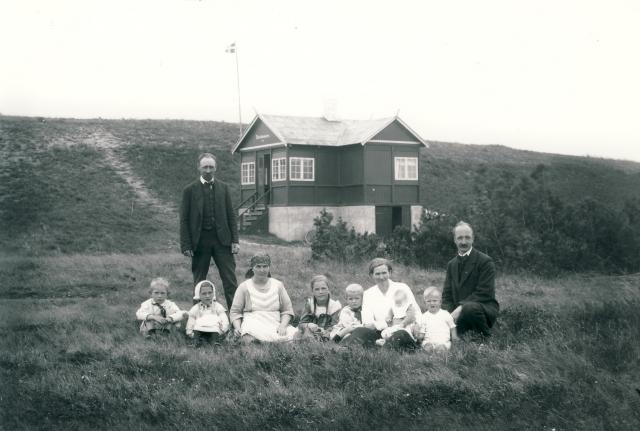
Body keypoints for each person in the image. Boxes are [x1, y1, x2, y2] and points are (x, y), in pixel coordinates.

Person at [180, 153, 239, 308]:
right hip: (200, 242)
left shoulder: (224, 188)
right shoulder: (189, 190)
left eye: (211, 167)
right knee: (199, 282)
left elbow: (231, 216)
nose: (208, 170)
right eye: (205, 167)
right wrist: (186, 245)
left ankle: (235, 318)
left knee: (230, 280)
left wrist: (235, 241)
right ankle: (198, 317)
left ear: (216, 168)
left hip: (223, 241)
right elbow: (184, 220)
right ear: (199, 168)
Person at [344, 258, 421, 348]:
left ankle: (383, 355)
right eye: (377, 274)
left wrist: (418, 325)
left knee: (399, 335)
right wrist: (386, 324)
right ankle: (345, 351)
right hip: (380, 333)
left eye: (384, 273)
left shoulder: (402, 288)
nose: (381, 277)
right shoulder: (368, 294)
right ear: (371, 275)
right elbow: (368, 323)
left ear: (390, 272)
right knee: (360, 331)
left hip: (402, 330)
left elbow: (416, 311)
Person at [442, 221, 499, 337]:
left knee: (469, 308)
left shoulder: (485, 262)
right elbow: (447, 295)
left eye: (467, 238)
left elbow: (484, 293)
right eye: (460, 238)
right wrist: (448, 315)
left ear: (473, 239)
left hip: (482, 310)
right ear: (454, 240)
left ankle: (485, 338)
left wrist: (461, 308)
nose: (464, 242)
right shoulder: (451, 264)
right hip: (458, 313)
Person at [229, 253, 298, 343]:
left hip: (274, 323)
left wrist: (283, 325)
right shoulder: (244, 287)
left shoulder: (278, 285)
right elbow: (235, 312)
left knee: (296, 336)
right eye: (258, 266)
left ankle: (271, 342)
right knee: (248, 337)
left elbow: (287, 310)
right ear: (252, 268)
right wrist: (238, 328)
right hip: (253, 323)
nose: (262, 270)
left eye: (265, 266)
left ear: (269, 267)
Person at [297, 275, 342, 341]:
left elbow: (335, 326)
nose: (320, 292)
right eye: (317, 289)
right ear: (312, 291)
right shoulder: (310, 304)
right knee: (302, 335)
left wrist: (324, 331)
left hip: (327, 334)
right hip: (310, 332)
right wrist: (308, 325)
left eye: (323, 288)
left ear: (328, 289)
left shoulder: (334, 306)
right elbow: (301, 324)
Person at [185, 280, 229, 346]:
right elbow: (191, 320)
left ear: (213, 293)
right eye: (204, 293)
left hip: (214, 329)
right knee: (197, 330)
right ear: (198, 294)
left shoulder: (217, 306)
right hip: (200, 329)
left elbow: (224, 320)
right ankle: (196, 342)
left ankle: (214, 343)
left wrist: (222, 330)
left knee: (214, 331)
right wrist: (190, 332)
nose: (207, 296)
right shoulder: (196, 308)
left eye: (210, 293)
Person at [414, 286, 458, 351]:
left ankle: (440, 352)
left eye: (435, 301)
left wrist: (454, 337)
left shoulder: (445, 314)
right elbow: (422, 332)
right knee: (427, 347)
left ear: (440, 302)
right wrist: (419, 337)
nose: (432, 303)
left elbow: (452, 327)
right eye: (428, 301)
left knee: (441, 349)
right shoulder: (424, 317)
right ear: (425, 303)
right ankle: (428, 355)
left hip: (443, 342)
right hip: (429, 341)